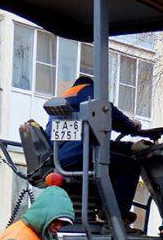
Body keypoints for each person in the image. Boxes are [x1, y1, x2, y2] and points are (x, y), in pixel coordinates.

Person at [46, 74, 144, 219]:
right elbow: (108, 112)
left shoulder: (68, 97)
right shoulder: (86, 93)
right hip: (77, 156)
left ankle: (104, 208)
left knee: (110, 161)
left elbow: (94, 142)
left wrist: (129, 147)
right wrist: (131, 126)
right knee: (130, 166)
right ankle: (118, 215)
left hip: (65, 156)